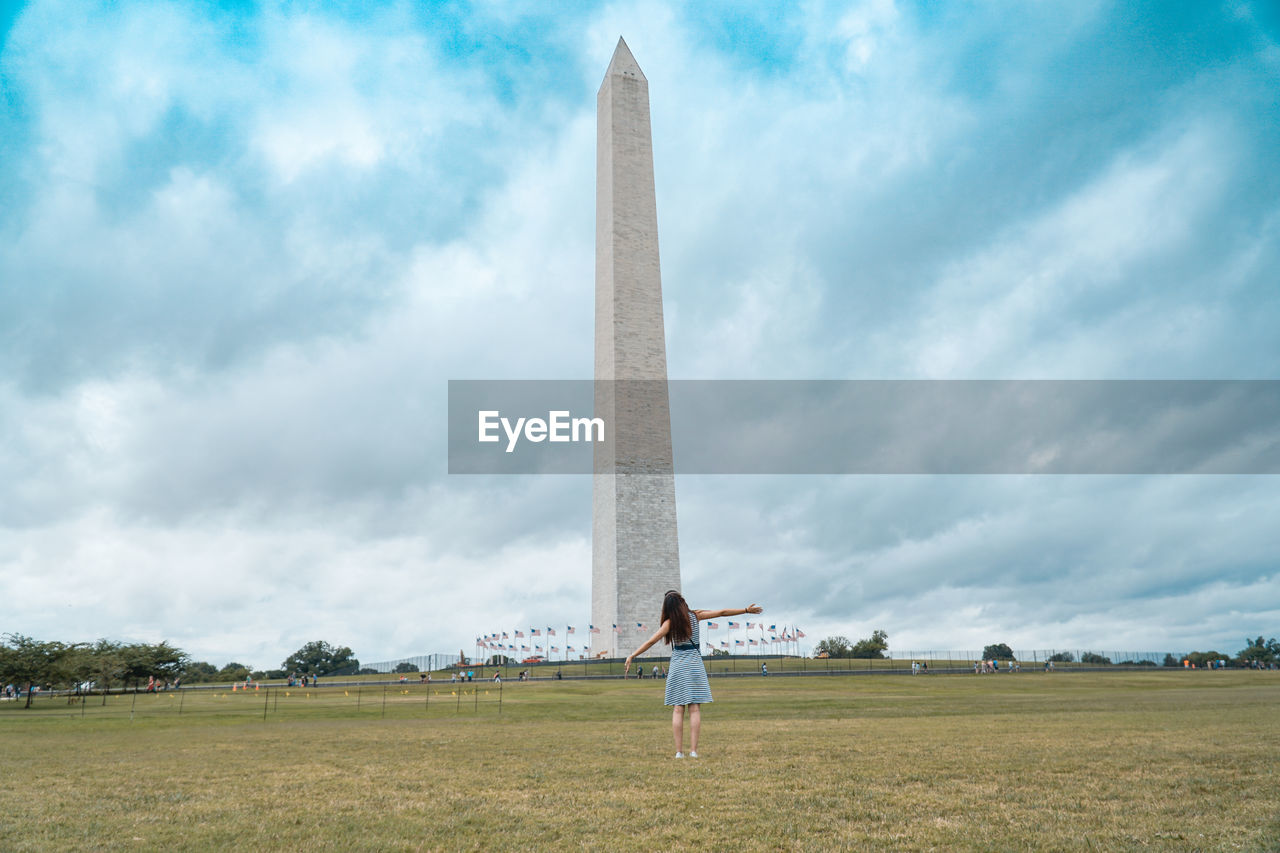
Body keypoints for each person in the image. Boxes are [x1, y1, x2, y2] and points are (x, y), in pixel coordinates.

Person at [625, 590, 763, 759]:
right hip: (695, 664)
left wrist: (632, 655)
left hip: (678, 665)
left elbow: (651, 641)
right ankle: (693, 751)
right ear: (682, 602)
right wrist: (746, 610)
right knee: (695, 708)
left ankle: (678, 752)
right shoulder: (695, 616)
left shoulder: (669, 623)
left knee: (678, 709)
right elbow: (722, 613)